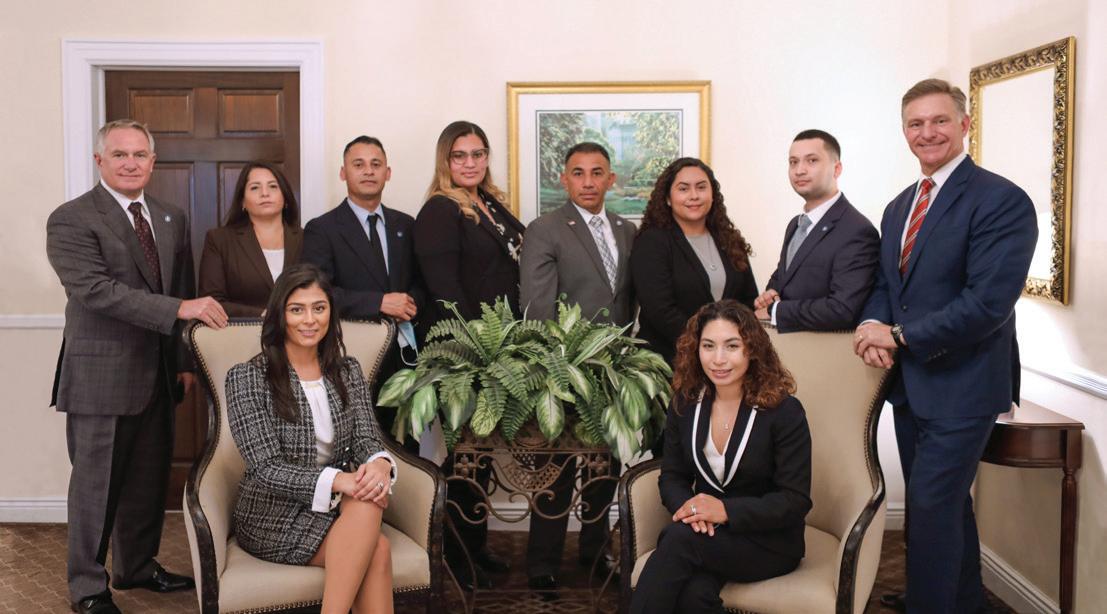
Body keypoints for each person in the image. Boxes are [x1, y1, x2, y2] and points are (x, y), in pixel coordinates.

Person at [854, 78, 1037, 613]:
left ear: (964, 124)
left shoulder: (1001, 200)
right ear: (904, 132)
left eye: (939, 120)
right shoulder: (899, 207)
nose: (927, 132)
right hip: (912, 388)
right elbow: (887, 286)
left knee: (931, 506)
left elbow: (987, 304)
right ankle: (965, 604)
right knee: (945, 507)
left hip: (965, 386)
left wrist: (899, 336)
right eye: (915, 123)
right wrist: (873, 324)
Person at [46, 119, 228, 614]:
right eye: (120, 154)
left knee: (147, 481)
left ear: (153, 161)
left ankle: (138, 566)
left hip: (159, 375)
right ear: (99, 161)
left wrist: (183, 361)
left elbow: (181, 286)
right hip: (100, 376)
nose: (131, 163)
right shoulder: (71, 218)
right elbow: (96, 291)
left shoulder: (170, 217)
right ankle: (87, 587)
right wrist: (180, 309)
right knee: (96, 488)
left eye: (140, 155)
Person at [225, 263, 396, 614]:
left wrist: (379, 464)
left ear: (330, 312)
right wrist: (340, 480)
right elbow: (265, 468)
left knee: (369, 512)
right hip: (271, 514)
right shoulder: (247, 378)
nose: (309, 320)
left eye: (319, 308)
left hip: (336, 507)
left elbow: (367, 438)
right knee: (376, 547)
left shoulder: (347, 371)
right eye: (296, 310)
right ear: (279, 315)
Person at [630, 300, 812, 614]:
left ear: (752, 350)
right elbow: (672, 476)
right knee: (694, 596)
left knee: (677, 540)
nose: (718, 359)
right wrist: (694, 511)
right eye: (708, 346)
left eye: (732, 346)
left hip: (768, 541)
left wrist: (724, 510)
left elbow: (794, 500)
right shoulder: (685, 404)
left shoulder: (784, 411)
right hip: (707, 536)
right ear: (695, 350)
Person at [519, 142, 635, 593]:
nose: (588, 182)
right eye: (579, 173)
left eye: (597, 172)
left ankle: (595, 551)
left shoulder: (627, 230)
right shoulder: (545, 229)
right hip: (564, 367)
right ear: (564, 179)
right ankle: (542, 563)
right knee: (557, 466)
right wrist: (554, 369)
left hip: (615, 370)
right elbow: (537, 306)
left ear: (611, 179)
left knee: (605, 465)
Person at [413, 120, 523, 587]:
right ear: (445, 160)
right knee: (464, 453)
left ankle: (472, 549)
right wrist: (477, 349)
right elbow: (446, 293)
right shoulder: (440, 210)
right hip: (463, 351)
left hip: (496, 348)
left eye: (478, 154)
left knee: (478, 453)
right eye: (460, 155)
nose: (470, 162)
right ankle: (455, 556)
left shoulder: (489, 203)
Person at [302, 136, 423, 448]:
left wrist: (410, 303)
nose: (368, 171)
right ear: (343, 173)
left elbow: (421, 281)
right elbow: (317, 295)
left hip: (403, 360)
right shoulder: (322, 229)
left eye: (376, 164)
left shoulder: (406, 224)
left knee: (406, 449)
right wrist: (379, 302)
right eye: (359, 164)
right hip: (348, 359)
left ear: (388, 173)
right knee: (356, 449)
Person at [631, 158, 758, 365]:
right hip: (669, 362)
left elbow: (748, 299)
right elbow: (660, 311)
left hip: (724, 363)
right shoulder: (652, 242)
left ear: (713, 194)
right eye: (683, 189)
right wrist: (706, 345)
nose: (694, 196)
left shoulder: (728, 238)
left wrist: (731, 346)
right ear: (668, 198)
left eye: (701, 187)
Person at [753, 130, 879, 332]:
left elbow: (842, 309)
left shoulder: (857, 231)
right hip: (785, 346)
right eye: (793, 162)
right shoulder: (795, 224)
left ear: (837, 169)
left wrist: (776, 310)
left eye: (812, 161)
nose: (799, 170)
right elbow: (785, 279)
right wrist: (771, 293)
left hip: (823, 349)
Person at [198, 161, 303, 317]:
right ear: (243, 201)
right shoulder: (220, 240)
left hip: (300, 329)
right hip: (242, 330)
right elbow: (211, 302)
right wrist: (263, 315)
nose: (265, 193)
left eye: (273, 186)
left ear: (285, 197)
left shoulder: (306, 238)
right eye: (255, 187)